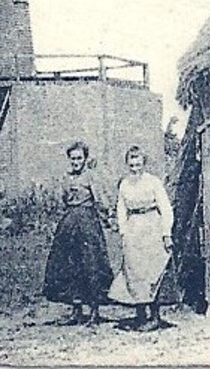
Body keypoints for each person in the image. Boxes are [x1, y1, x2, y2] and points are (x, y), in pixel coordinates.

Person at [41, 141, 113, 325]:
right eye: (73, 158)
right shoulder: (66, 178)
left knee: (91, 264)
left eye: (79, 158)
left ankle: (94, 311)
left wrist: (107, 219)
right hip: (70, 223)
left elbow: (100, 201)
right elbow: (63, 200)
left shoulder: (91, 177)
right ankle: (76, 310)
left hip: (88, 224)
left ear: (85, 159)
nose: (76, 162)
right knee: (70, 265)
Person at [110, 144, 174, 331]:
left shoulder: (153, 182)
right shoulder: (124, 184)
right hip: (134, 230)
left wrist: (166, 233)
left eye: (138, 163)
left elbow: (166, 208)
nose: (134, 167)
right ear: (127, 164)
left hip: (152, 226)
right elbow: (121, 210)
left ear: (143, 163)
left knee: (153, 271)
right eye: (131, 164)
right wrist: (123, 232)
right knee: (134, 272)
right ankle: (140, 314)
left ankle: (155, 316)